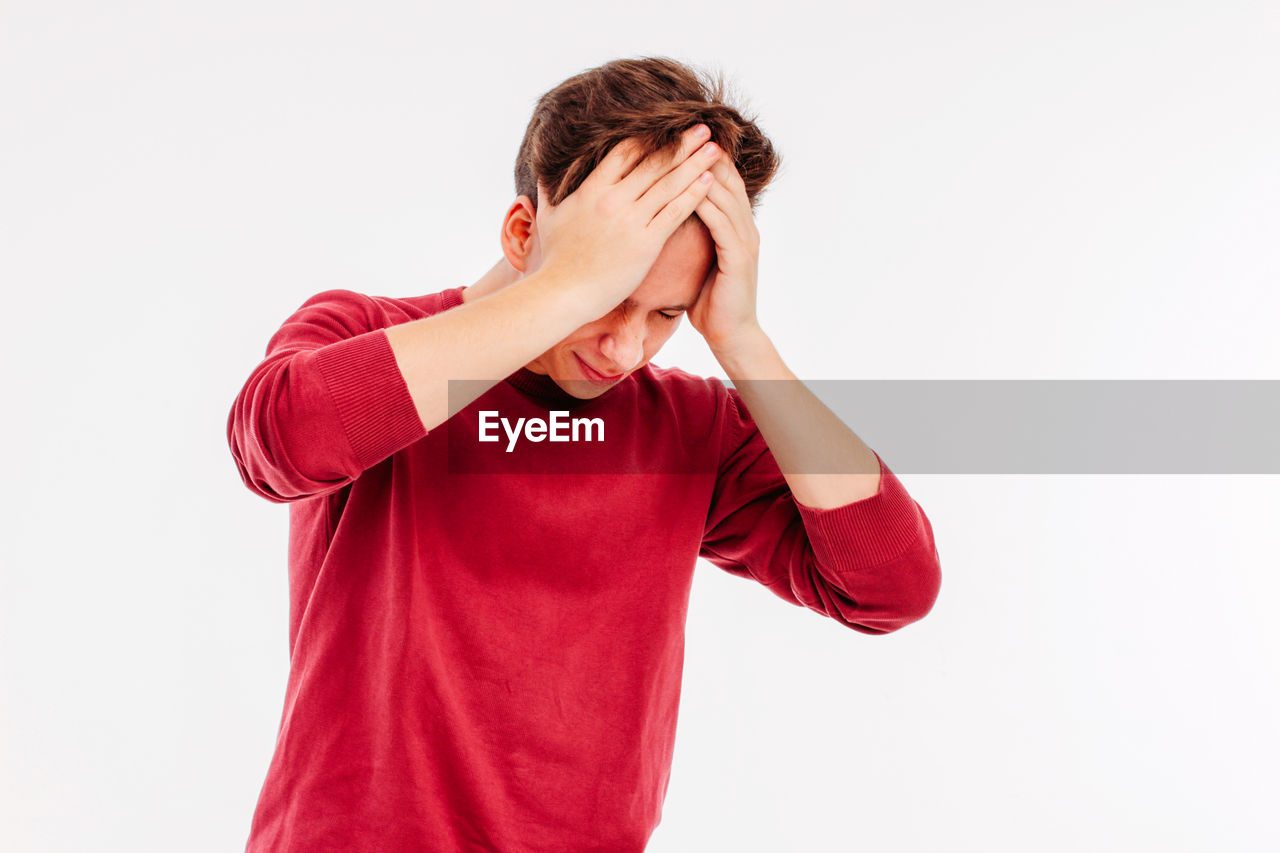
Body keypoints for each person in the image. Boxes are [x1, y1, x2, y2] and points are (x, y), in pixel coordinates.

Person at [227, 56, 942, 853]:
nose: (626, 347)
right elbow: (280, 442)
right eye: (605, 300)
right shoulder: (365, 337)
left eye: (667, 312)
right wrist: (560, 289)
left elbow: (890, 586)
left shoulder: (691, 430)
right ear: (523, 232)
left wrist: (742, 341)